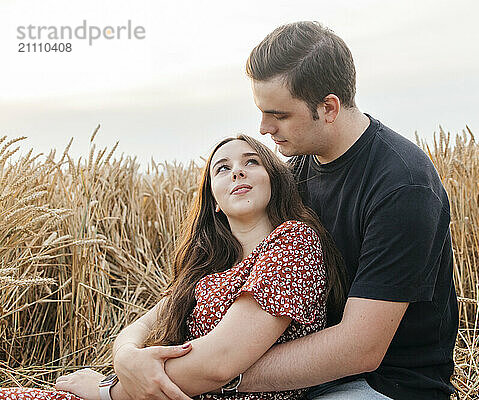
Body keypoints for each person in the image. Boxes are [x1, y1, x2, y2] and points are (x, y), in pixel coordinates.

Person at [116, 21, 459, 400]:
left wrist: (216, 378)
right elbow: (217, 277)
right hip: (291, 378)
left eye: (278, 115)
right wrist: (128, 353)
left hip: (381, 384)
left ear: (327, 108)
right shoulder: (292, 175)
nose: (263, 128)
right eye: (262, 112)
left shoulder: (401, 185)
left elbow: (360, 348)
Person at [0, 134, 347, 400]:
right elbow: (138, 327)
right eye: (222, 168)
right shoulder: (211, 270)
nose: (237, 170)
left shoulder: (293, 241)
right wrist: (125, 359)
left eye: (251, 161)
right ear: (214, 202)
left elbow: (219, 363)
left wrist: (109, 391)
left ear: (274, 179)